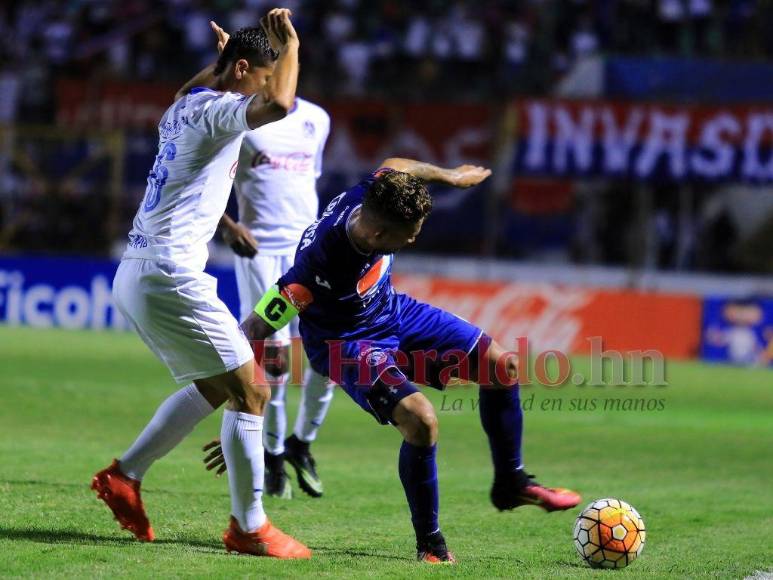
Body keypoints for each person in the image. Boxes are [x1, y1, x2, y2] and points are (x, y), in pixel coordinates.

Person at [206, 159, 582, 563]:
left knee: (501, 366)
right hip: (345, 345)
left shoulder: (376, 192)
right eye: (408, 237)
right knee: (421, 421)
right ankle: (431, 545)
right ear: (380, 233)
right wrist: (241, 425)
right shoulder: (319, 267)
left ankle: (511, 481)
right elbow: (254, 330)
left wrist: (451, 177)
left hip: (393, 314)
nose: (413, 242)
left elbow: (396, 164)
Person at [90, 11, 311, 559]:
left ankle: (126, 475)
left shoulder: (184, 105)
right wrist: (292, 48)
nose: (266, 86)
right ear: (241, 69)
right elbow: (280, 104)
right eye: (260, 74)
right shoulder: (217, 112)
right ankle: (250, 527)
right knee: (253, 388)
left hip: (141, 270)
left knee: (221, 384)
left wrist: (226, 61)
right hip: (168, 275)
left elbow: (193, 83)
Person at [217, 92, 333, 500]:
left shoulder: (318, 119)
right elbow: (203, 174)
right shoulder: (246, 116)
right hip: (260, 254)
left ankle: (302, 443)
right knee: (278, 362)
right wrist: (229, 225)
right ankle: (273, 454)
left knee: (330, 355)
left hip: (310, 254)